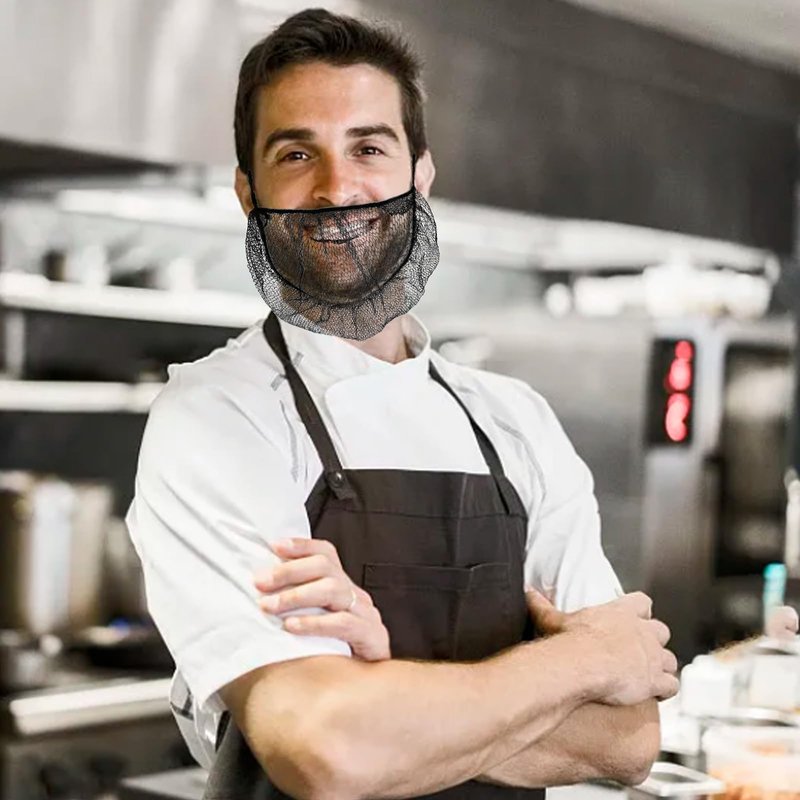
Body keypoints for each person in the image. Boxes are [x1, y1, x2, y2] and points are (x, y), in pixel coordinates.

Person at [125, 8, 679, 799]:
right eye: (296, 153)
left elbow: (628, 739)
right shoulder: (217, 416)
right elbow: (327, 752)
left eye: (369, 148)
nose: (336, 186)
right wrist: (585, 659)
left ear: (419, 177)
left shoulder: (515, 421)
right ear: (248, 192)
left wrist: (387, 694)